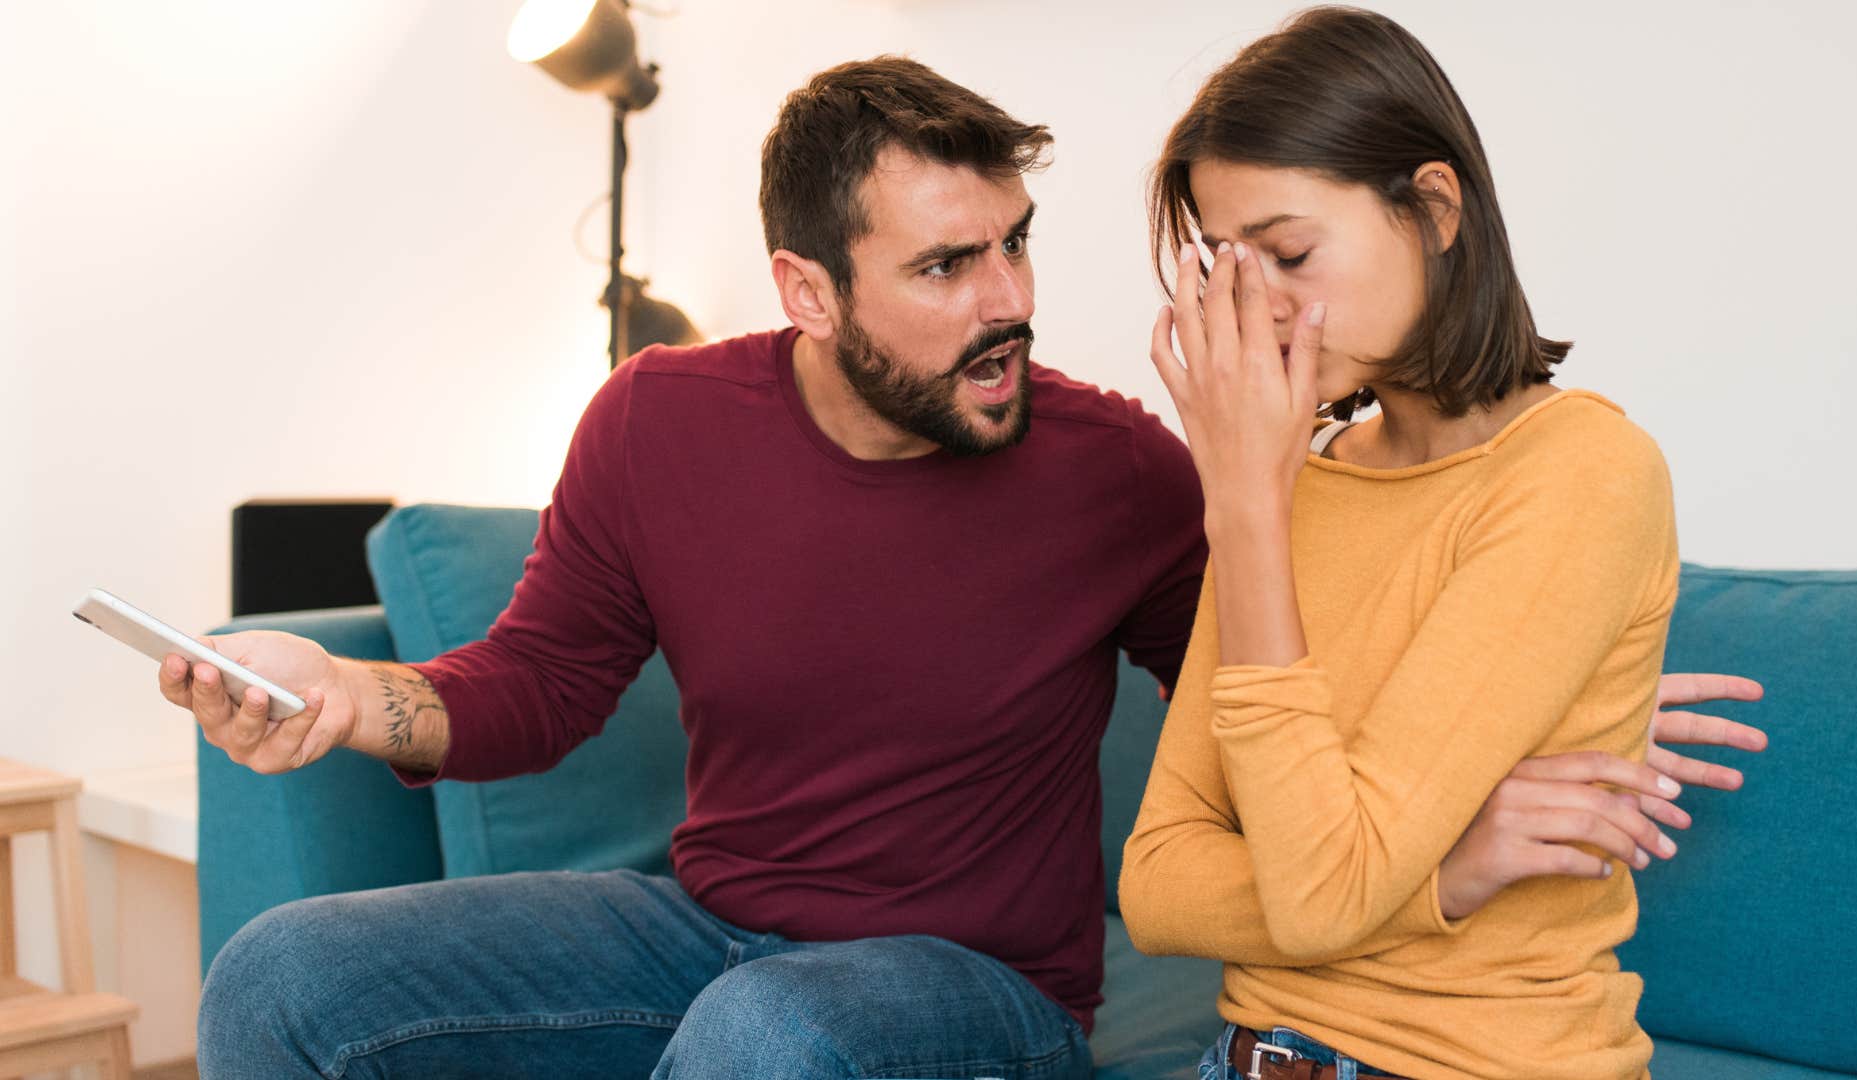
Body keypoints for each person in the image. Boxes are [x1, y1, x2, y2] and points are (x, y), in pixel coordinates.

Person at [161, 55, 1760, 1080]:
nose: (1008, 298)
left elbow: (1307, 710)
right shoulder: (658, 421)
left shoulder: (1129, 468)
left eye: (1017, 244)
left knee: (772, 1036)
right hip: (712, 925)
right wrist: (345, 695)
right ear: (807, 288)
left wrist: (1524, 683)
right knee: (284, 977)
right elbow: (539, 683)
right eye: (945, 265)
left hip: (976, 992)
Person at [1119, 8, 1730, 1079]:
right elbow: (1157, 881)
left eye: (1291, 251)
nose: (1257, 306)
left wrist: (1246, 507)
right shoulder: (1291, 479)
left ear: (1435, 209)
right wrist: (1446, 874)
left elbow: (1321, 899)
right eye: (1229, 264)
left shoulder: (1581, 472)